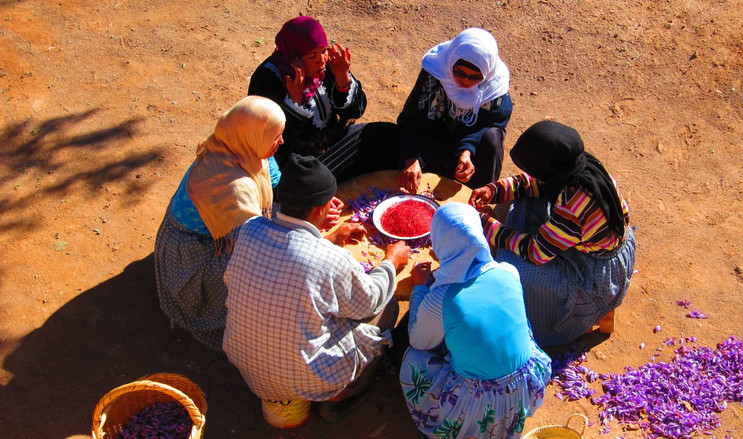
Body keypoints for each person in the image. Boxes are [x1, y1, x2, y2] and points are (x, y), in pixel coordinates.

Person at [222, 154, 411, 419]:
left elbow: (289, 258)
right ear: (316, 210)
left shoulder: (249, 229)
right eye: (327, 204)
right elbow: (372, 299)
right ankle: (343, 394)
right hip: (309, 380)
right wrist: (391, 262)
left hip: (247, 366)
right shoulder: (329, 259)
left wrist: (331, 239)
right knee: (387, 305)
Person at [469, 120, 637, 347]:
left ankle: (544, 324)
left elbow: (535, 253)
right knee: (521, 202)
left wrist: (486, 224)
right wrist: (495, 190)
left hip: (594, 272)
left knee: (512, 266)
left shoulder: (574, 204)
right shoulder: (578, 167)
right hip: (590, 241)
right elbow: (535, 184)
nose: (532, 174)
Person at [399, 202, 551, 439]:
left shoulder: (441, 296)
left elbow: (419, 342)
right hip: (525, 388)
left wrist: (419, 287)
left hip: (478, 406)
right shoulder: (508, 271)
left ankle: (461, 428)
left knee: (413, 359)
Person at [153, 96, 285, 351]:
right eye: (276, 136)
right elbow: (253, 244)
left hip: (223, 231)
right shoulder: (232, 187)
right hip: (191, 255)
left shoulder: (243, 147)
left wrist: (317, 204)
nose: (281, 142)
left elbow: (277, 185)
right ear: (255, 135)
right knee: (261, 268)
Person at [248, 16, 399, 184]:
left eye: (324, 51)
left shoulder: (327, 66)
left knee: (387, 135)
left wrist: (343, 79)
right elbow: (271, 147)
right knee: (312, 182)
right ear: (294, 57)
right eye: (312, 56)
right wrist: (295, 104)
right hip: (297, 165)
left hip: (334, 144)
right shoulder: (268, 80)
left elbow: (356, 111)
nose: (321, 61)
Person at [397, 28, 512, 193]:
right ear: (451, 62)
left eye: (475, 77)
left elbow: (491, 122)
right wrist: (412, 159)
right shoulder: (436, 71)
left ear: (486, 75)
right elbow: (414, 119)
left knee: (492, 137)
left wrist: (467, 151)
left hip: (469, 143)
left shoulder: (494, 87)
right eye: (459, 72)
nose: (465, 81)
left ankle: (478, 197)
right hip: (435, 139)